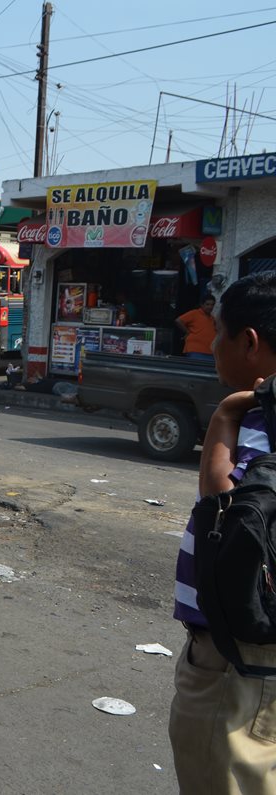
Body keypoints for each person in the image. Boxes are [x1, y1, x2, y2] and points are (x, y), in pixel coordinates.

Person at [168, 272, 276, 794]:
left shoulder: (256, 415)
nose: (211, 344)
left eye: (220, 332)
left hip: (236, 659)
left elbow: (221, 510)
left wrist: (226, 414)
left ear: (250, 343)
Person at [176, 294, 216, 360]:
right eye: (207, 304)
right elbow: (178, 320)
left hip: (210, 352)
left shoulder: (213, 318)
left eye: (212, 305)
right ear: (202, 305)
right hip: (195, 350)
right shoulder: (195, 313)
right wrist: (187, 332)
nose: (210, 307)